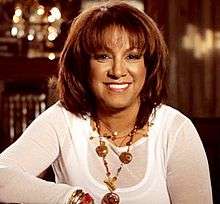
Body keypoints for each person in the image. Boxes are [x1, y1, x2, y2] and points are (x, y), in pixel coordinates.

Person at [0, 2, 213, 204]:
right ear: (83, 65)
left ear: (149, 66)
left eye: (132, 56)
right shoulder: (62, 119)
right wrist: (70, 198)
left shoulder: (175, 130)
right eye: (102, 56)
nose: (118, 71)